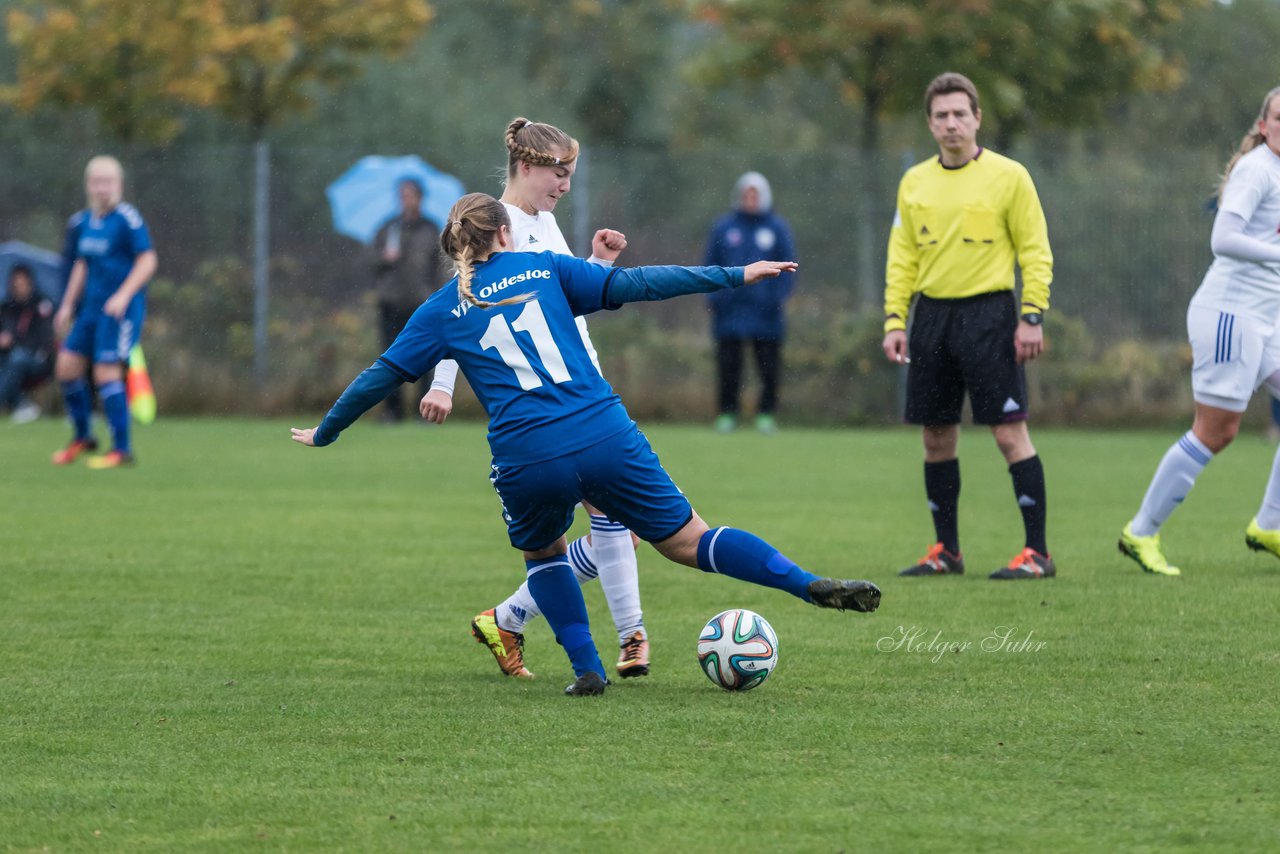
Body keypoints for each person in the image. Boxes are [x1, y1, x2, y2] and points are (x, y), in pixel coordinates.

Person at [291, 192, 881, 696]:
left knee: (545, 555)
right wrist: (734, 274)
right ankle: (805, 584)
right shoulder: (545, 267)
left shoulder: (440, 309)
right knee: (688, 541)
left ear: (455, 244)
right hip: (603, 434)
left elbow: (380, 375)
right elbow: (644, 283)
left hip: (528, 456)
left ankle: (587, 670)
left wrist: (326, 431)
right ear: (504, 233)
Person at [420, 118, 648, 681]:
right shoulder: (498, 229)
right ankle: (631, 638)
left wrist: (598, 265)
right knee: (618, 522)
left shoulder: (543, 222)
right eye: (559, 173)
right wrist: (442, 383)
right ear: (527, 167)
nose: (566, 185)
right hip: (549, 406)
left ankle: (509, 616)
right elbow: (462, 311)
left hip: (583, 388)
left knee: (620, 526)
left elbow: (568, 301)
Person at [881, 72, 1055, 580]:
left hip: (991, 316)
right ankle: (947, 552)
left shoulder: (1010, 176)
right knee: (936, 437)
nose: (952, 123)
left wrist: (1032, 315)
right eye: (941, 115)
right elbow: (901, 259)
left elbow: (1035, 250)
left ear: (977, 117)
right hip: (931, 319)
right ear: (930, 124)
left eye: (960, 113)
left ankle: (1038, 553)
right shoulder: (914, 182)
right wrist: (895, 319)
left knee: (1009, 434)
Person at [1119, 86, 1280, 576]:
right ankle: (1141, 531)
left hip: (1265, 319)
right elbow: (1223, 238)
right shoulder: (1257, 170)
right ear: (1265, 125)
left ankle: (1270, 525)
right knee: (1217, 432)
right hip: (1230, 316)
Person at [51, 156, 157, 468]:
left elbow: (148, 260)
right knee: (67, 368)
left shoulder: (128, 219)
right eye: (97, 182)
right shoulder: (82, 222)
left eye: (108, 182)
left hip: (119, 313)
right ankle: (83, 437)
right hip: (90, 311)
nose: (103, 188)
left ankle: (122, 450)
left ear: (119, 185)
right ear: (88, 186)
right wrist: (68, 304)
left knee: (105, 373)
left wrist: (123, 295)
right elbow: (82, 264)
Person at [705, 172, 796, 434]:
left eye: (755, 194)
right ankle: (727, 413)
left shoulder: (777, 228)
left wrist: (775, 298)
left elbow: (789, 265)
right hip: (730, 312)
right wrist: (716, 297)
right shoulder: (724, 228)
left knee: (768, 367)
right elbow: (710, 263)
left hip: (766, 313)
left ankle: (766, 413)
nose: (751, 199)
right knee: (729, 366)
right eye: (747, 194)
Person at [371, 178, 443, 422]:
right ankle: (393, 411)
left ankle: (425, 413)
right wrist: (384, 258)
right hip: (390, 302)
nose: (405, 199)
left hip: (421, 303)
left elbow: (440, 265)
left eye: (410, 195)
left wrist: (437, 296)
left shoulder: (431, 229)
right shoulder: (388, 228)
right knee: (390, 359)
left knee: (425, 358)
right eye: (402, 195)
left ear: (420, 198)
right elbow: (368, 263)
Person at [0, 264, 54, 422]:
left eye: (23, 283)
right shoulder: (6, 307)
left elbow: (44, 338)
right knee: (11, 363)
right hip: (7, 357)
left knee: (17, 359)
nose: (19, 287)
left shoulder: (42, 305)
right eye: (16, 283)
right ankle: (20, 403)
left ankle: (9, 401)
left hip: (37, 359)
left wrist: (13, 340)